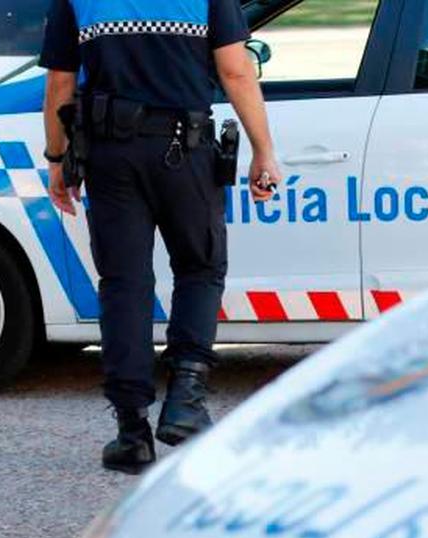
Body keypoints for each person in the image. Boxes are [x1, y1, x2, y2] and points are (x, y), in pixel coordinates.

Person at [38, 0, 281, 474]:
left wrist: (56, 158)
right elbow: (235, 71)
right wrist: (263, 150)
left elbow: (60, 84)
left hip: (110, 157)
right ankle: (186, 400)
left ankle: (132, 432)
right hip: (184, 149)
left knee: (124, 284)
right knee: (200, 266)